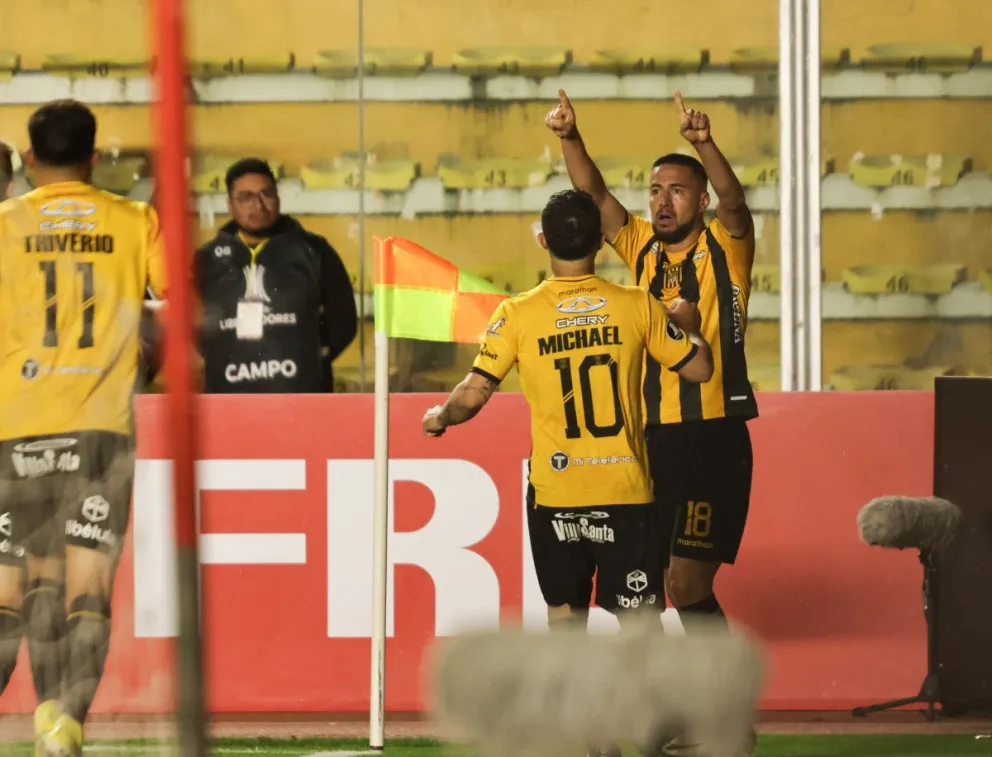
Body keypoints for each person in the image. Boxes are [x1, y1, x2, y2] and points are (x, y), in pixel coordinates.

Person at [548, 90, 758, 757]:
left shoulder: (725, 247)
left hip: (713, 437)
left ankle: (725, 712)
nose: (663, 202)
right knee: (640, 590)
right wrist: (569, 137)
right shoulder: (641, 249)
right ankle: (673, 712)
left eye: (678, 191)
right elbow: (596, 196)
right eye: (656, 190)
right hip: (650, 442)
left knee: (687, 585)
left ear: (699, 200)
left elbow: (737, 204)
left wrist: (704, 144)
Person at [422, 188, 712, 627]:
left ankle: (570, 678)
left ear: (544, 241)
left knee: (563, 621)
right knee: (640, 628)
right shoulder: (637, 304)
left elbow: (474, 393)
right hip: (625, 491)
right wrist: (689, 327)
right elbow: (700, 369)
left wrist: (439, 417)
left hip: (556, 493)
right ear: (600, 241)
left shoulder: (516, 314)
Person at [0, 99, 166, 757]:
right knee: (87, 585)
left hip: (17, 423)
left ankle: (48, 715)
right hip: (100, 426)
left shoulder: (5, 224)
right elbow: (176, 303)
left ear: (29, 157)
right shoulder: (135, 219)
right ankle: (64, 723)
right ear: (95, 156)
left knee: (21, 581)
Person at [194, 158, 358, 393]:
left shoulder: (314, 251)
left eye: (266, 194)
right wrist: (223, 359)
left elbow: (344, 321)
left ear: (278, 197)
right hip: (228, 399)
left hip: (301, 398)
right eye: (246, 197)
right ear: (230, 204)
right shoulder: (207, 260)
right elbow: (192, 327)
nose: (259, 205)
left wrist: (310, 360)